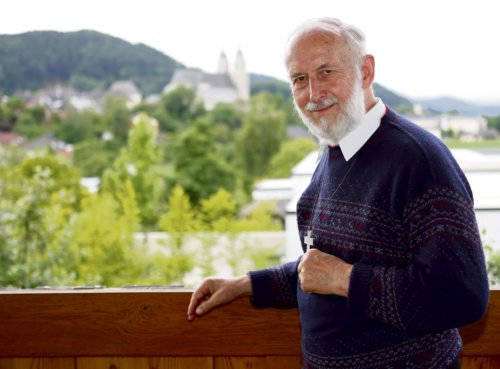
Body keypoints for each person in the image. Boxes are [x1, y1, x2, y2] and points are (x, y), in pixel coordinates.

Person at [187, 17, 489, 369]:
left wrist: (346, 280)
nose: (313, 94)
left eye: (326, 72)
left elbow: (463, 296)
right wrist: (246, 285)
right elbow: (319, 269)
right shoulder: (335, 149)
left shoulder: (419, 159)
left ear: (365, 71)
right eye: (300, 79)